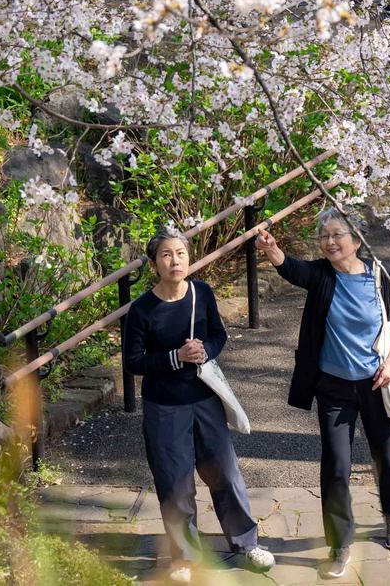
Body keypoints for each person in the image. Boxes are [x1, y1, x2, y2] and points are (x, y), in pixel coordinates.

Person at [255, 209, 390, 580]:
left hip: (377, 382)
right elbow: (290, 268)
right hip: (334, 388)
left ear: (356, 239)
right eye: (324, 236)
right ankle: (339, 543)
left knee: (388, 458)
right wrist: (271, 247)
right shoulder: (321, 275)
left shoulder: (378, 274)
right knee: (336, 467)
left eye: (337, 234)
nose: (329, 242)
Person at [122, 228, 275, 584]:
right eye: (166, 255)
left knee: (225, 473)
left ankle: (247, 543)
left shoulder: (201, 293)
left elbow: (218, 334)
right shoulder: (142, 309)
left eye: (180, 253)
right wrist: (175, 357)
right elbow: (133, 361)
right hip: (164, 407)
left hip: (205, 400)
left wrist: (206, 350)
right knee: (175, 483)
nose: (175, 261)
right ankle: (184, 557)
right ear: (153, 264)